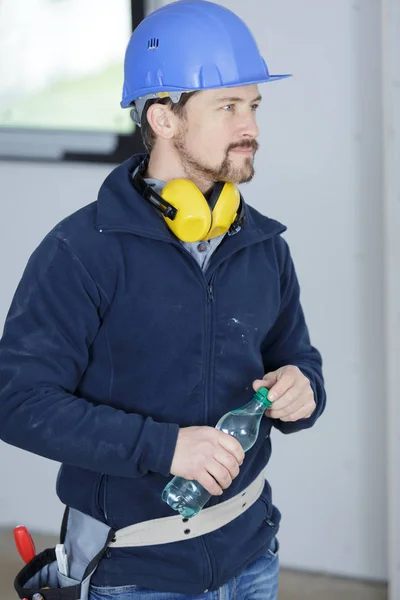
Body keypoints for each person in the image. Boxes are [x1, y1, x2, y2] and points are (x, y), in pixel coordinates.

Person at [0, 1, 326, 599]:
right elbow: (17, 401)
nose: (250, 126)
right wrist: (164, 446)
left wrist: (304, 388)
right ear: (164, 118)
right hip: (134, 571)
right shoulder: (81, 251)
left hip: (252, 556)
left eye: (252, 106)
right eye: (227, 106)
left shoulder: (261, 245)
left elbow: (299, 359)